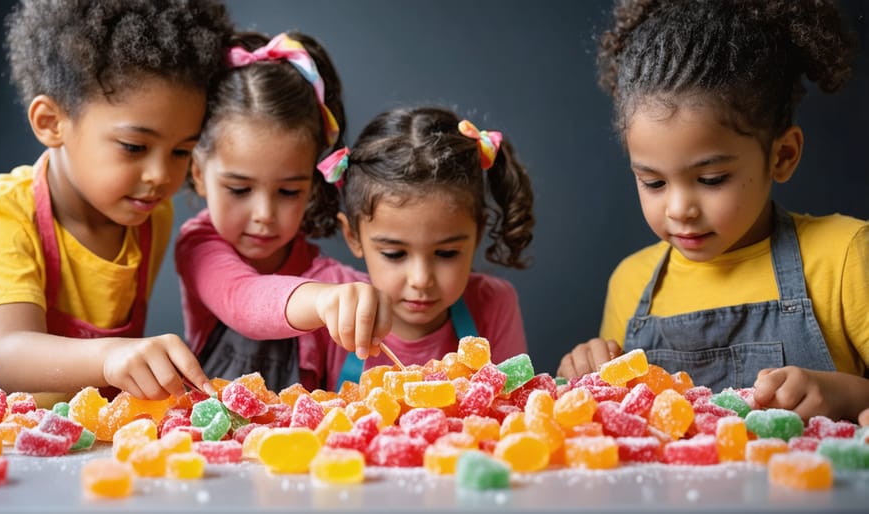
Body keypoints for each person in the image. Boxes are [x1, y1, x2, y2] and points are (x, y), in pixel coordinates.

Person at [557, 0, 868, 422]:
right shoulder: (631, 284)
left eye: (710, 179)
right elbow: (616, 424)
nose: (680, 209)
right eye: (653, 183)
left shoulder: (844, 257)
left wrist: (844, 395)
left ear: (782, 155)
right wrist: (585, 374)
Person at [0, 0, 234, 401]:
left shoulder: (151, 214)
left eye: (182, 152)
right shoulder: (7, 213)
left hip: (82, 443)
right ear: (51, 122)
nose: (161, 176)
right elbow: (9, 356)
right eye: (133, 146)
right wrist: (111, 355)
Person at [175, 31, 392, 392]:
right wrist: (323, 300)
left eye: (289, 191)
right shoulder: (199, 246)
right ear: (199, 173)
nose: (264, 213)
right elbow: (244, 300)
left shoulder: (333, 278)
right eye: (239, 189)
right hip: (213, 438)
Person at [321, 106, 535, 390]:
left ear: (477, 233)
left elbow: (512, 412)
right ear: (354, 237)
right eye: (394, 254)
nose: (421, 279)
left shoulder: (494, 304)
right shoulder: (327, 303)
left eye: (446, 253)